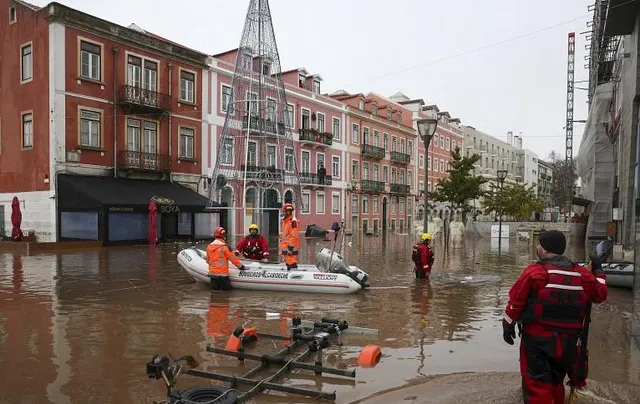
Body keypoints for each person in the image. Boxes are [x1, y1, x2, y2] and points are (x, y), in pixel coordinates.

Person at [501, 230, 607, 404]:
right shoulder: (582, 274)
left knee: (536, 384)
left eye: (539, 244)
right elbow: (600, 294)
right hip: (568, 344)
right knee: (556, 381)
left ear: (543, 249)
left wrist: (507, 325)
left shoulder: (535, 272)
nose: (537, 247)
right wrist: (600, 272)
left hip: (538, 341)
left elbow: (515, 302)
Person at [280, 203, 300, 270]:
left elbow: (294, 235)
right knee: (289, 262)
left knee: (291, 263)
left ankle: (294, 275)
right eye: (286, 211)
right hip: (287, 247)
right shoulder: (286, 221)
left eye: (289, 212)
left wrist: (290, 248)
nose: (287, 213)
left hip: (290, 248)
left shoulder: (292, 221)